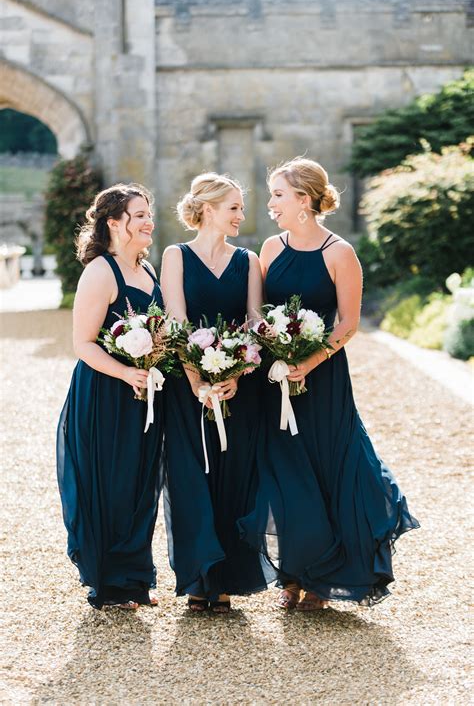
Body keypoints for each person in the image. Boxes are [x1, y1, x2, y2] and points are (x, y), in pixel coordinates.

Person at [238, 157, 419, 610]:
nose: (271, 203)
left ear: (304, 200)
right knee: (283, 471)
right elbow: (256, 312)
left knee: (328, 465)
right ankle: (294, 572)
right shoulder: (272, 248)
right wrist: (270, 343)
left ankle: (325, 578)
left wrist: (310, 360)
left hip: (322, 379)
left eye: (278, 194)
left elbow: (349, 322)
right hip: (273, 378)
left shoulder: (340, 253)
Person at [161, 173, 273, 613]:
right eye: (234, 208)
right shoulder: (176, 255)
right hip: (186, 388)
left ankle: (225, 580)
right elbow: (176, 321)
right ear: (207, 208)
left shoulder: (248, 260)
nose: (241, 216)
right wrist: (196, 380)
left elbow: (253, 323)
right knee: (190, 478)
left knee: (234, 477)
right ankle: (196, 578)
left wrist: (237, 374)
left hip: (237, 389)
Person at [56, 183, 165, 610]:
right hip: (106, 391)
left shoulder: (147, 268)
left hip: (144, 392)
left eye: (148, 213)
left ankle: (135, 577)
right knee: (111, 482)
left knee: (140, 482)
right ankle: (110, 581)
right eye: (139, 215)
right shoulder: (101, 273)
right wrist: (126, 372)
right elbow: (83, 343)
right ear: (115, 223)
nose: (148, 221)